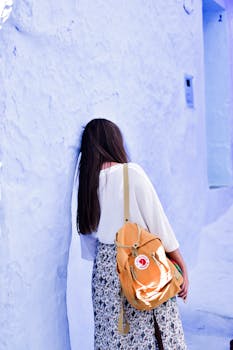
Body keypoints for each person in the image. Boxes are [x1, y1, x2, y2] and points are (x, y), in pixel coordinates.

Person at [75, 118, 188, 350]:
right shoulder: (131, 173)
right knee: (154, 335)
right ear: (114, 142)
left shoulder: (86, 183)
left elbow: (88, 245)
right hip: (138, 267)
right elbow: (159, 225)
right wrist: (181, 265)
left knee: (113, 339)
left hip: (104, 273)